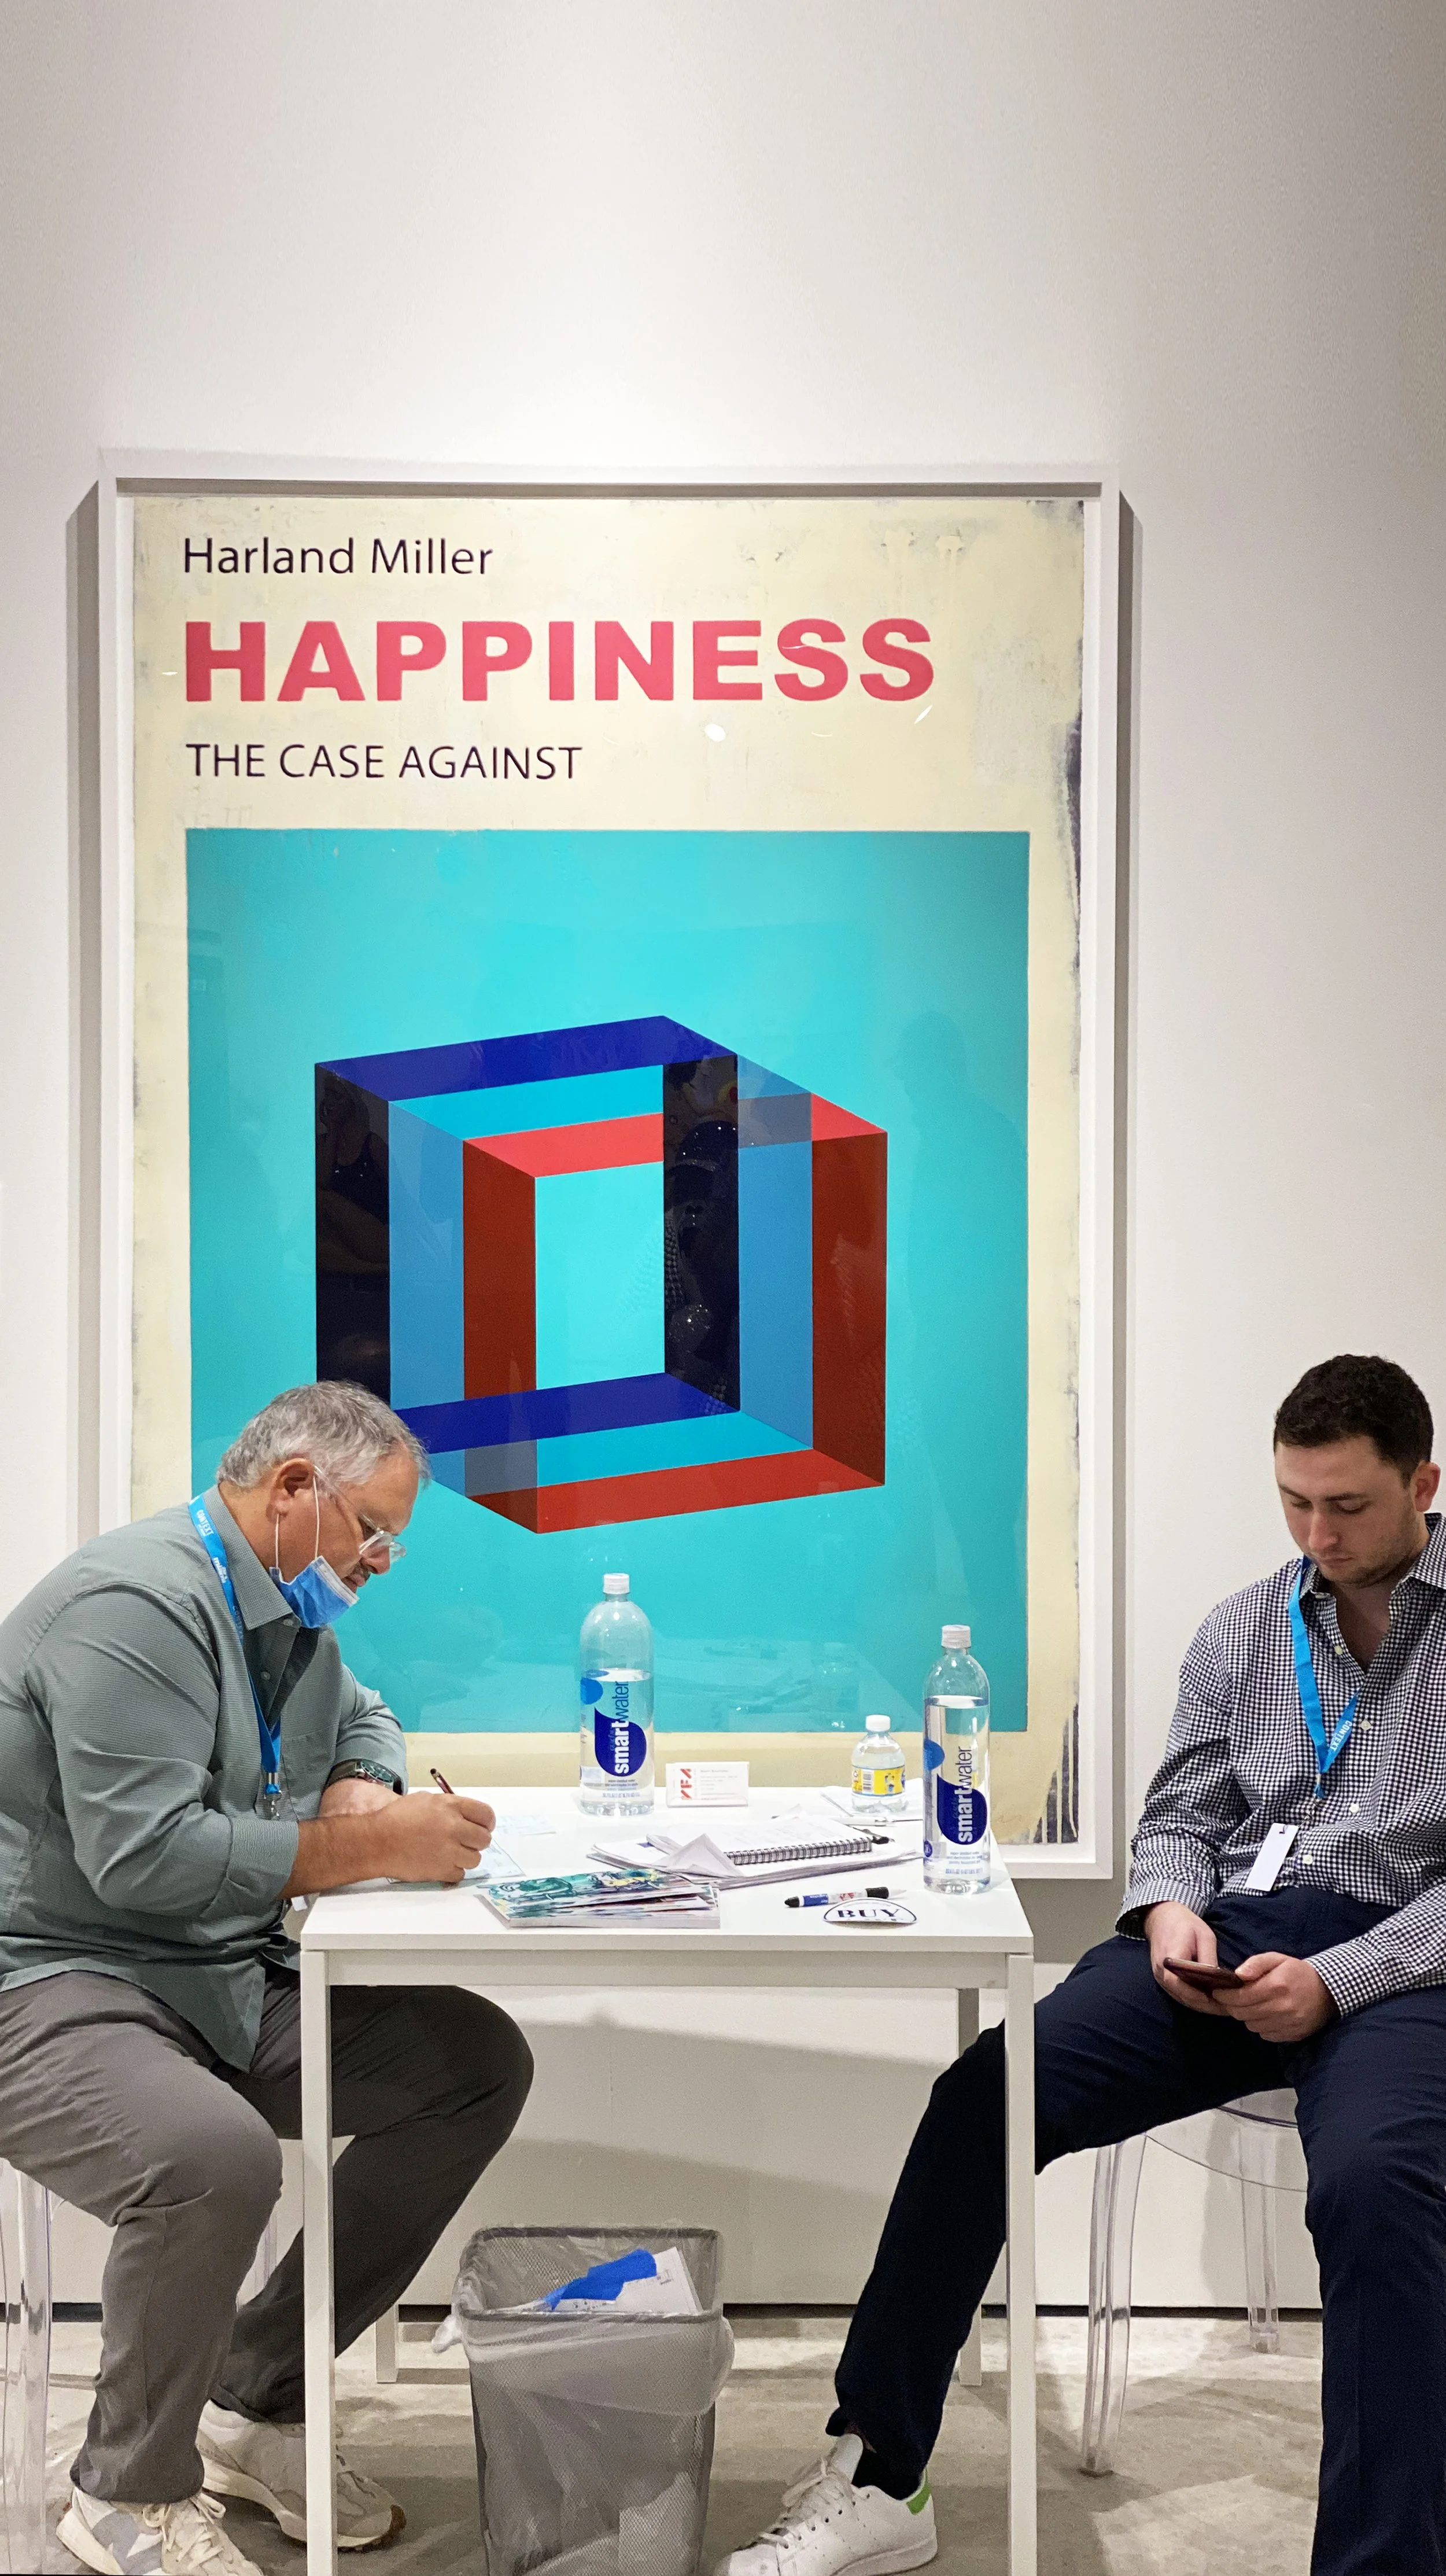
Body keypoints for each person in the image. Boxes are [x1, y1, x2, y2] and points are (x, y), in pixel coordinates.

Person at [720, 1353, 1446, 2576]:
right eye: (1291, 1501)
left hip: (1411, 1961)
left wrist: (1340, 1979)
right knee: (981, 2101)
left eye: (1347, 1507)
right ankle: (880, 2475)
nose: (1315, 1533)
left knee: (1373, 2190)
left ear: (1423, 1483)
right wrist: (1166, 1908)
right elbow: (1178, 1817)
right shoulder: (1245, 1627)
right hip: (1237, 1934)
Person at [0, 1380, 532, 2576]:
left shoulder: (284, 1609)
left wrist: (363, 1778)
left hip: (217, 1972)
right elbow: (142, 1860)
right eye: (375, 1532)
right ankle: (127, 2491)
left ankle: (259, 2396)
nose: (385, 1561)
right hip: (51, 1976)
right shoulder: (132, 1607)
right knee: (211, 2160)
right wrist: (375, 1844)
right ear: (294, 1489)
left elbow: (362, 1715)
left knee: (471, 2066)